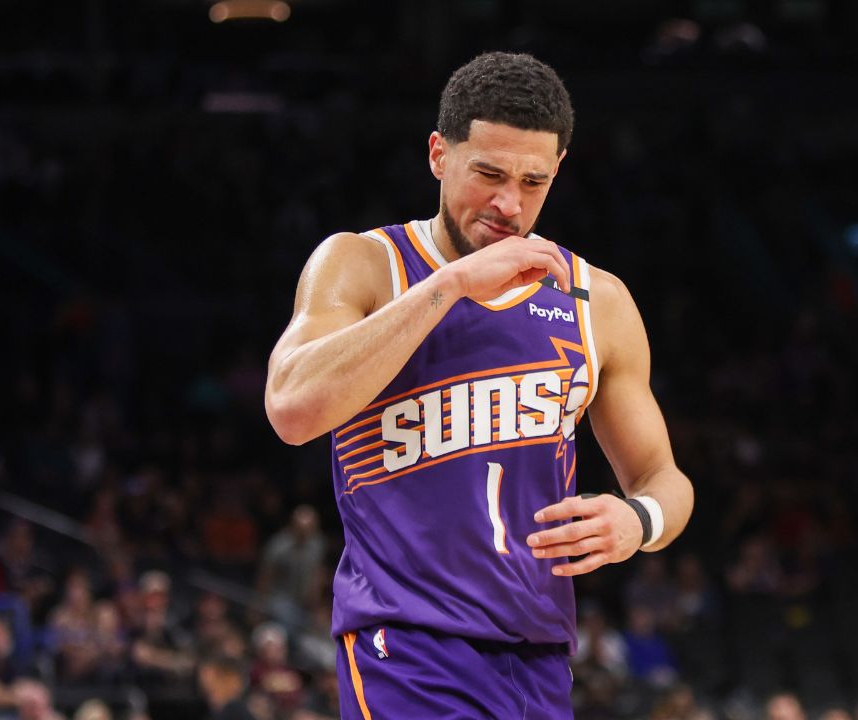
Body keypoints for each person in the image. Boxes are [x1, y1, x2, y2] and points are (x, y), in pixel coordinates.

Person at [265, 51, 695, 718]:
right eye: (489, 173)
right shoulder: (364, 264)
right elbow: (291, 408)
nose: (508, 203)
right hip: (405, 645)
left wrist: (639, 521)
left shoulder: (594, 300)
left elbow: (665, 480)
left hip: (539, 655)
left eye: (533, 181)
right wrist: (450, 285)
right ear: (439, 154)